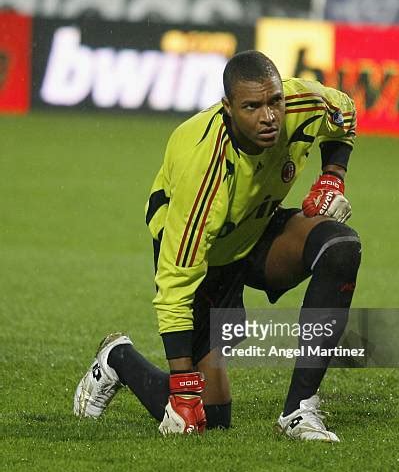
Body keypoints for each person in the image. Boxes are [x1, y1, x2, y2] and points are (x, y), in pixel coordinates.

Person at [74, 50, 361, 442]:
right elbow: (174, 284)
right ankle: (117, 359)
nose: (269, 116)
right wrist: (183, 385)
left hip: (257, 228)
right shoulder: (203, 171)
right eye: (252, 107)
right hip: (204, 253)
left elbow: (343, 112)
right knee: (206, 417)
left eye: (274, 101)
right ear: (228, 108)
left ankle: (299, 412)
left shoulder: (299, 103)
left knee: (340, 247)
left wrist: (333, 177)